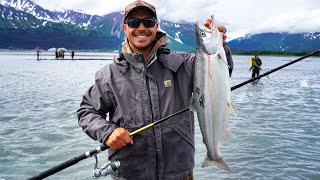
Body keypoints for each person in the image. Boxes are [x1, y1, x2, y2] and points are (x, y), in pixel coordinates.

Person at [77, 1, 212, 179]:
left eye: (147, 22)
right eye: (134, 22)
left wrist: (217, 46)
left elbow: (215, 73)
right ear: (124, 27)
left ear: (156, 26)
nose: (141, 27)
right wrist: (107, 131)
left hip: (180, 173)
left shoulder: (184, 64)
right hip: (129, 174)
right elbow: (86, 112)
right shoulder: (108, 75)